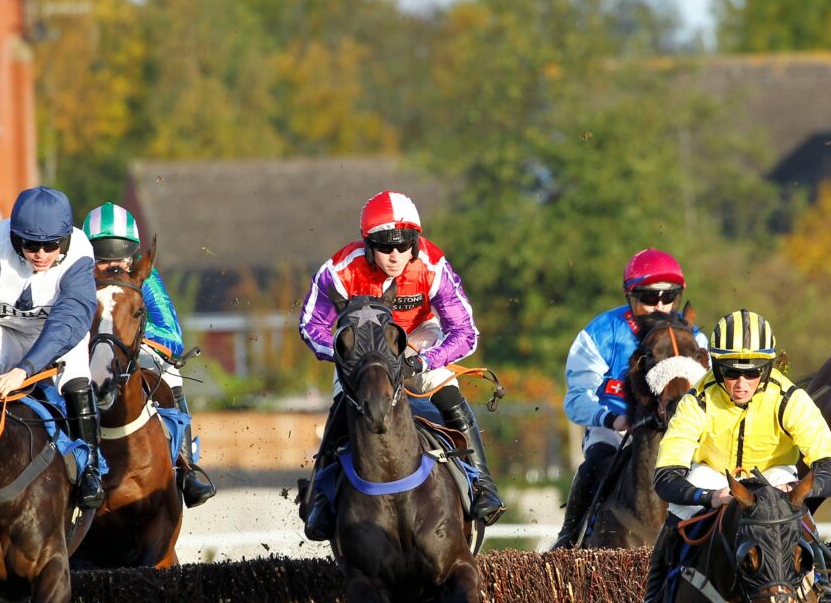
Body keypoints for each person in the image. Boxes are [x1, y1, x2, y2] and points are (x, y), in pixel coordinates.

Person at [628, 310, 831, 603]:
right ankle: (653, 599)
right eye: (731, 372)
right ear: (716, 366)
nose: (742, 383)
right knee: (682, 505)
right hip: (715, 476)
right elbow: (666, 476)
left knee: (794, 505)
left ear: (768, 368)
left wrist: (796, 490)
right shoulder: (696, 401)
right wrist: (709, 497)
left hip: (773, 476)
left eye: (753, 372)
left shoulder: (790, 398)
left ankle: (823, 586)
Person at [298, 189, 503, 540]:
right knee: (340, 407)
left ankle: (483, 483)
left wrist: (423, 360)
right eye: (384, 246)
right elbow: (310, 326)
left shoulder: (433, 266)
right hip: (362, 351)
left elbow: (465, 331)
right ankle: (321, 496)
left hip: (416, 339)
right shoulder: (339, 271)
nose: (394, 255)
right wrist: (346, 355)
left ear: (415, 243)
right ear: (368, 244)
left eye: (403, 245)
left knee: (447, 394)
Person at [0, 186, 104, 507]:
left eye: (52, 245)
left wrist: (25, 370)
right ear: (15, 237)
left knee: (75, 372)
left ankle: (90, 469)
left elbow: (70, 320)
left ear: (66, 239)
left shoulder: (79, 253)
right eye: (31, 245)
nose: (42, 254)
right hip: (1, 328)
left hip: (54, 334)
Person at [554, 248, 709, 548]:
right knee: (597, 460)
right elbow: (576, 400)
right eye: (650, 298)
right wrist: (612, 418)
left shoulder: (695, 339)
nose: (661, 306)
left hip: (682, 428)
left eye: (669, 297)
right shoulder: (600, 333)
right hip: (616, 426)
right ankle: (568, 538)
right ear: (631, 296)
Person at [83, 202, 216, 508]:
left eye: (120, 255)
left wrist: (128, 335)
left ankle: (185, 469)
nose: (113, 264)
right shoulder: (74, 278)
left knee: (170, 372)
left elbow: (172, 336)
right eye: (103, 256)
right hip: (86, 351)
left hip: (134, 350)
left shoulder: (147, 278)